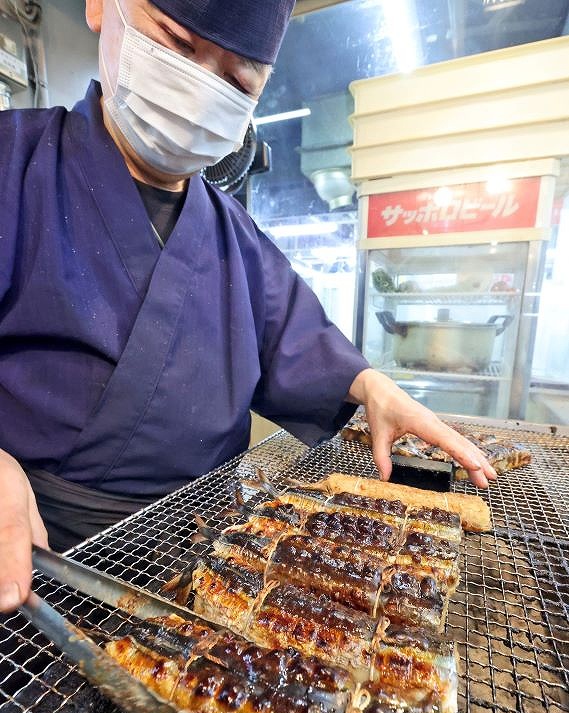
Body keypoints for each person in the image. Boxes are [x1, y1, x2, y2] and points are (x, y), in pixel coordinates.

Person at [0, 0, 496, 614]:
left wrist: (373, 387)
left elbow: (294, 337)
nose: (198, 87)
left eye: (237, 81)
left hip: (215, 564)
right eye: (178, 44)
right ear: (102, 7)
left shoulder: (234, 233)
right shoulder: (13, 165)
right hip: (40, 568)